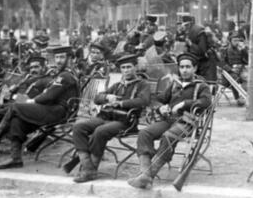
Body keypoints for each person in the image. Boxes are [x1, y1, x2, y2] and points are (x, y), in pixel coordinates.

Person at [128, 51, 212, 190]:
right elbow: (157, 99)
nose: (184, 70)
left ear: (194, 68)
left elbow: (206, 102)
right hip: (168, 120)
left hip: (187, 122)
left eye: (188, 67)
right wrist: (161, 108)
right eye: (182, 67)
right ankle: (145, 174)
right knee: (145, 133)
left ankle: (148, 175)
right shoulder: (174, 84)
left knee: (168, 137)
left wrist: (184, 104)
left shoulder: (201, 86)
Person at [0, 45, 79, 170]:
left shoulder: (65, 76)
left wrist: (30, 101)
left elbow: (49, 96)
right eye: (57, 57)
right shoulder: (61, 74)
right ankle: (15, 158)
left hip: (59, 112)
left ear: (70, 59)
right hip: (53, 109)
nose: (59, 60)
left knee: (16, 107)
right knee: (17, 119)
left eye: (62, 57)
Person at [71, 52, 151, 183]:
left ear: (135, 67)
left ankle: (91, 169)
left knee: (100, 131)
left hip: (126, 121)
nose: (126, 70)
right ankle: (88, 167)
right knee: (79, 127)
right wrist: (107, 97)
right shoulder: (117, 85)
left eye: (129, 67)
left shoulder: (142, 84)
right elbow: (97, 98)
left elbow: (144, 101)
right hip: (106, 117)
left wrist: (121, 103)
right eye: (123, 68)